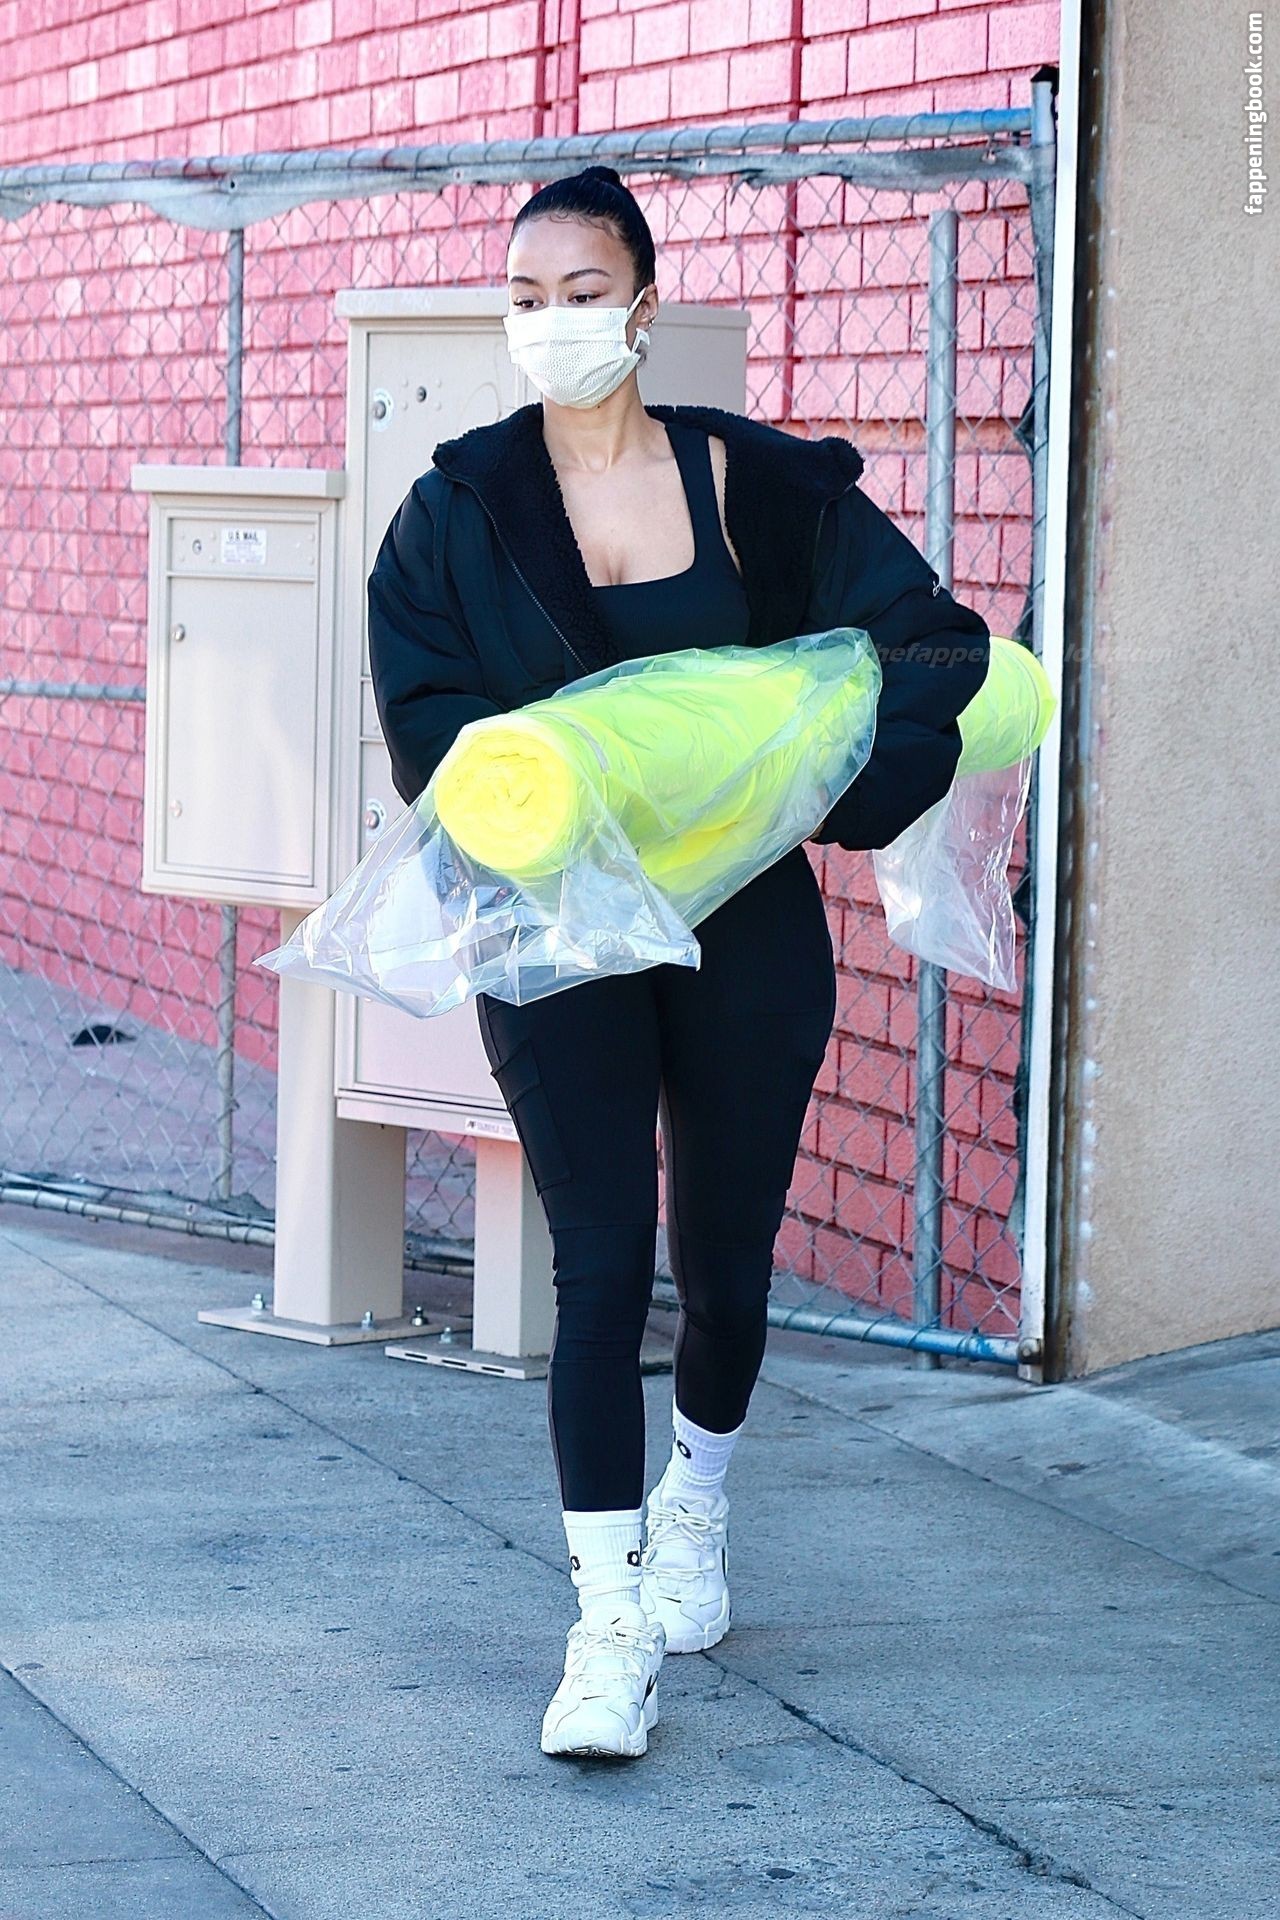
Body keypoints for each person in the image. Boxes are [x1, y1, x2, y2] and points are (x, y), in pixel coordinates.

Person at [367, 166, 991, 1761]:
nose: (553, 324)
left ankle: (696, 1505)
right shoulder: (456, 514)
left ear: (642, 308)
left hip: (744, 926)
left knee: (723, 1265)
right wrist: (535, 800)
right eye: (526, 299)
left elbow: (928, 640)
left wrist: (834, 787)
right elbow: (431, 725)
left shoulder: (762, 489)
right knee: (597, 1267)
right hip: (561, 933)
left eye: (583, 294)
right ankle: (607, 1624)